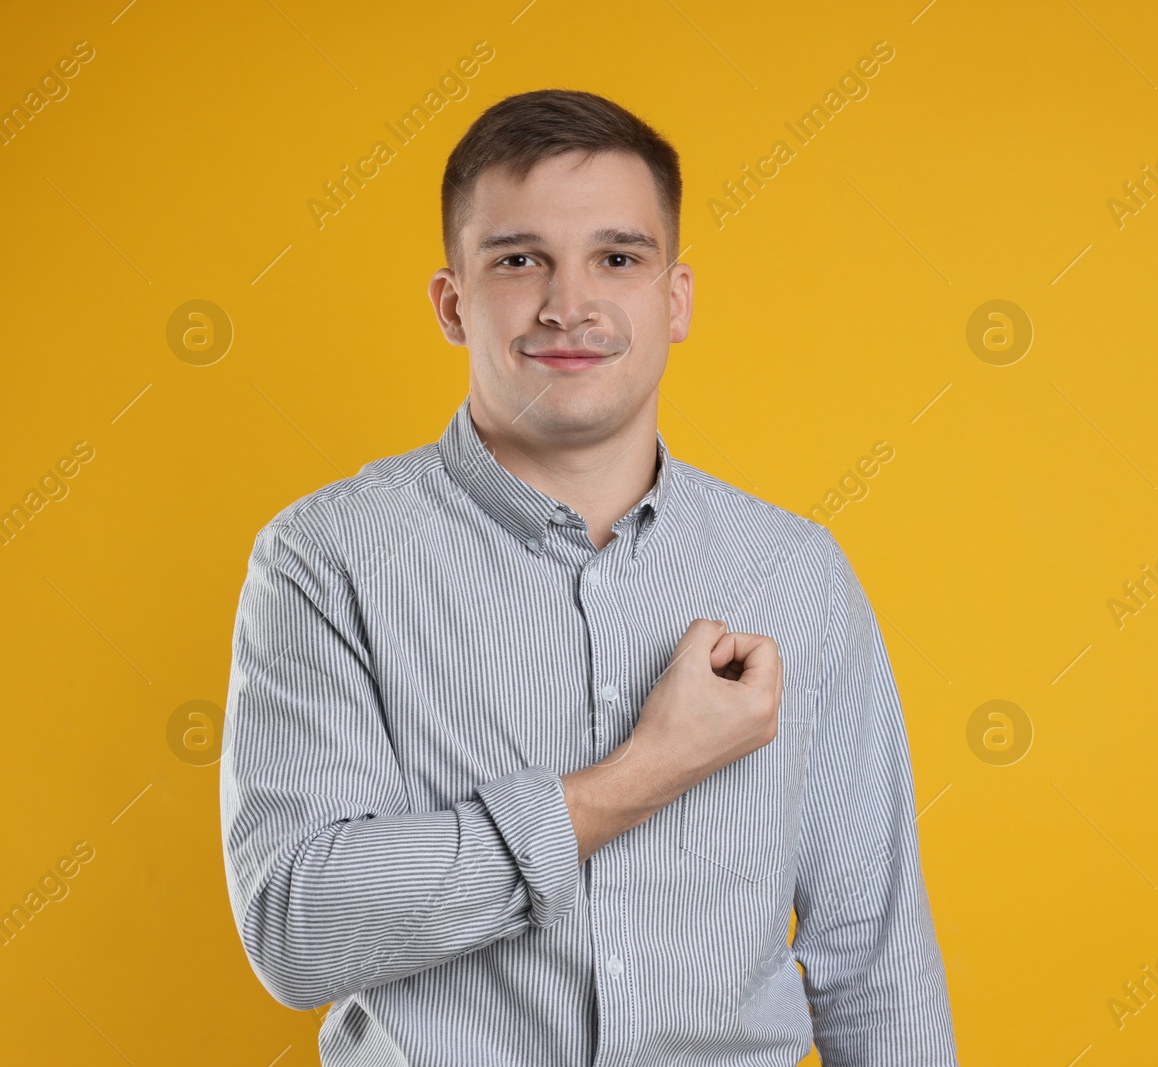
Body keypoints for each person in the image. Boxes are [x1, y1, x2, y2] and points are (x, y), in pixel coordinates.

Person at [219, 88, 958, 1066]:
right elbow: (298, 926)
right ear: (452, 302)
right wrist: (646, 771)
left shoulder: (795, 573)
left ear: (674, 298)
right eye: (519, 259)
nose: (568, 304)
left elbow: (875, 961)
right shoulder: (326, 559)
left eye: (617, 257)